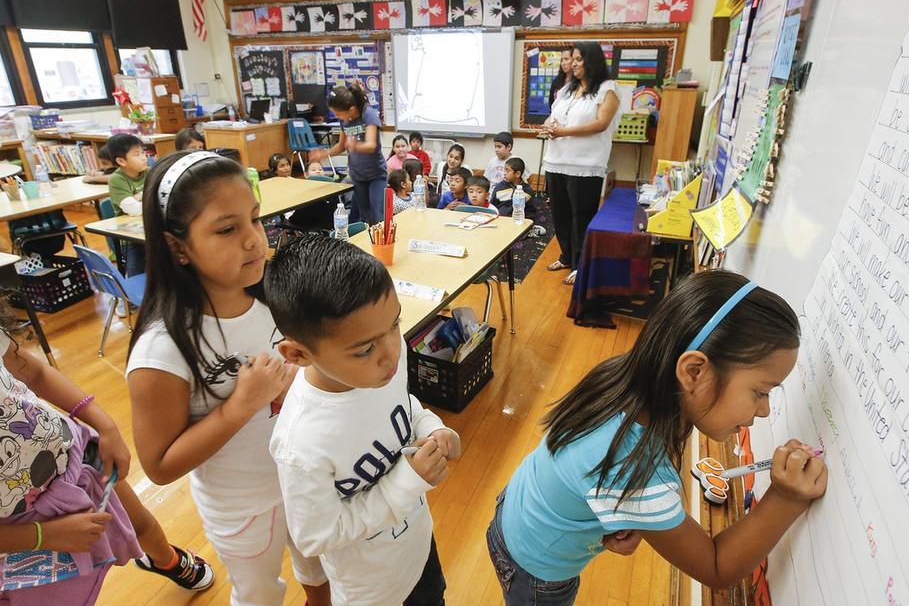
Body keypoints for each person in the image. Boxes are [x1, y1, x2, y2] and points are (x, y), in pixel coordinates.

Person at [487, 270, 827, 606]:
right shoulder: (635, 468)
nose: (765, 410)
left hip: (514, 511)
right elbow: (717, 567)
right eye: (760, 391)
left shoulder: (626, 377)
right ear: (694, 371)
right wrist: (785, 498)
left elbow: (579, 469)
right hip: (536, 570)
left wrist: (621, 514)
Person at [125, 151, 331, 606]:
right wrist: (241, 405)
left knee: (320, 569)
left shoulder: (271, 296)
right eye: (226, 229)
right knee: (258, 594)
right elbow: (159, 466)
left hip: (305, 480)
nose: (255, 241)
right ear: (177, 246)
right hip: (243, 507)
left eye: (255, 220)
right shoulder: (163, 348)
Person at [264, 234, 459, 606]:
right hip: (370, 589)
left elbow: (405, 405)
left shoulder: (384, 361)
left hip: (418, 549)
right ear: (298, 353)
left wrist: (432, 428)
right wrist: (406, 482)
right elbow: (314, 536)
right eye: (365, 349)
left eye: (395, 324)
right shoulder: (302, 444)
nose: (390, 354)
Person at [0, 302, 214, 606]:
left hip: (74, 457)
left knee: (141, 523)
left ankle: (164, 558)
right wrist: (42, 535)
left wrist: (104, 424)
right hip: (20, 527)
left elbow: (33, 373)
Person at [541, 42, 623, 286]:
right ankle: (567, 256)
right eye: (571, 59)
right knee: (560, 214)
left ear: (592, 61)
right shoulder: (567, 89)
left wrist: (564, 131)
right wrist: (548, 125)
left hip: (585, 165)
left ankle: (581, 265)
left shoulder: (607, 89)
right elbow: (553, 114)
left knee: (581, 215)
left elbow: (601, 123)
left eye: (578, 59)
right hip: (556, 160)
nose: (573, 64)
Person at [319, 85, 387, 224]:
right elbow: (341, 146)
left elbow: (371, 145)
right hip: (357, 175)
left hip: (376, 175)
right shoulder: (344, 121)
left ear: (350, 109)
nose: (337, 117)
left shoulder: (367, 114)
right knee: (364, 217)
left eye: (338, 114)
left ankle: (380, 244)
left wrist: (355, 145)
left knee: (378, 216)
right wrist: (324, 154)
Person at [105, 134, 149, 280]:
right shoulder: (117, 180)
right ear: (121, 161)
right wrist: (148, 195)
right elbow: (134, 210)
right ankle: (136, 300)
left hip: (150, 228)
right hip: (130, 236)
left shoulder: (148, 172)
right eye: (137, 154)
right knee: (138, 274)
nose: (144, 157)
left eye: (143, 152)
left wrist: (141, 196)